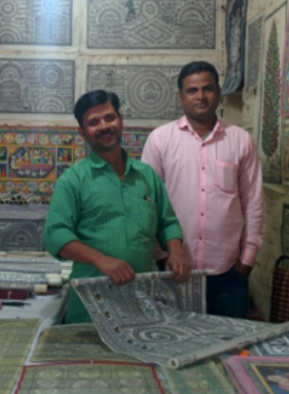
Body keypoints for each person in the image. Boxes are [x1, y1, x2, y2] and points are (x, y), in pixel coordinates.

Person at [43, 90, 190, 324]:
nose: (104, 126)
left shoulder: (147, 176)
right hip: (90, 309)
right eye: (93, 122)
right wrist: (100, 259)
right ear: (82, 132)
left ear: (120, 120)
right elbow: (55, 235)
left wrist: (175, 252)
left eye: (109, 118)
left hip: (142, 305)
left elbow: (167, 222)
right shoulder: (73, 180)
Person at [141, 61, 263, 319]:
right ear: (180, 97)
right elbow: (148, 203)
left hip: (228, 273)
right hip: (174, 270)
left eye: (207, 89)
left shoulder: (240, 140)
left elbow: (253, 202)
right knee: (176, 340)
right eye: (192, 90)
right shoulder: (160, 139)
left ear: (218, 93)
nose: (200, 96)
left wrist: (246, 261)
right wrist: (161, 257)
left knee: (230, 341)